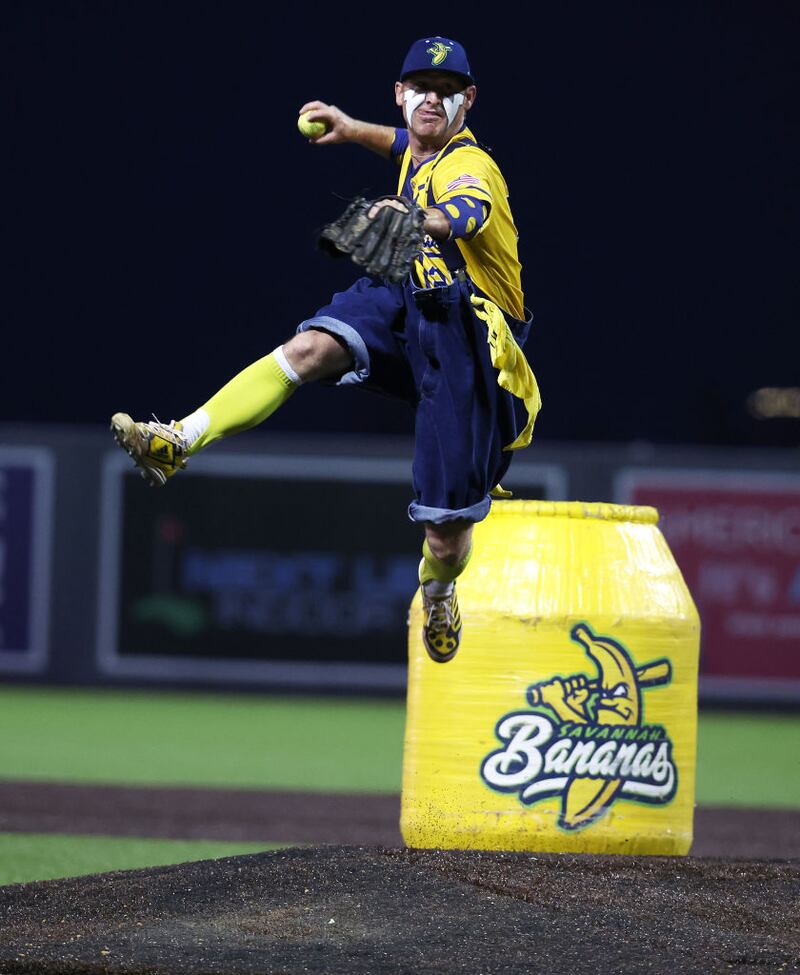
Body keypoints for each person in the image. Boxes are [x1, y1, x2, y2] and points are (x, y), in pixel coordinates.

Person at [111, 36, 540, 664]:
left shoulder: (471, 167)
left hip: (474, 336)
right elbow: (403, 144)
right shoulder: (418, 145)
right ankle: (178, 440)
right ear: (400, 94)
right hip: (409, 301)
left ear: (468, 102)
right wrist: (351, 128)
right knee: (310, 348)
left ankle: (439, 590)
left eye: (448, 93)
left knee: (446, 538)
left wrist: (423, 222)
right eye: (421, 87)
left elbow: (465, 210)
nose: (433, 100)